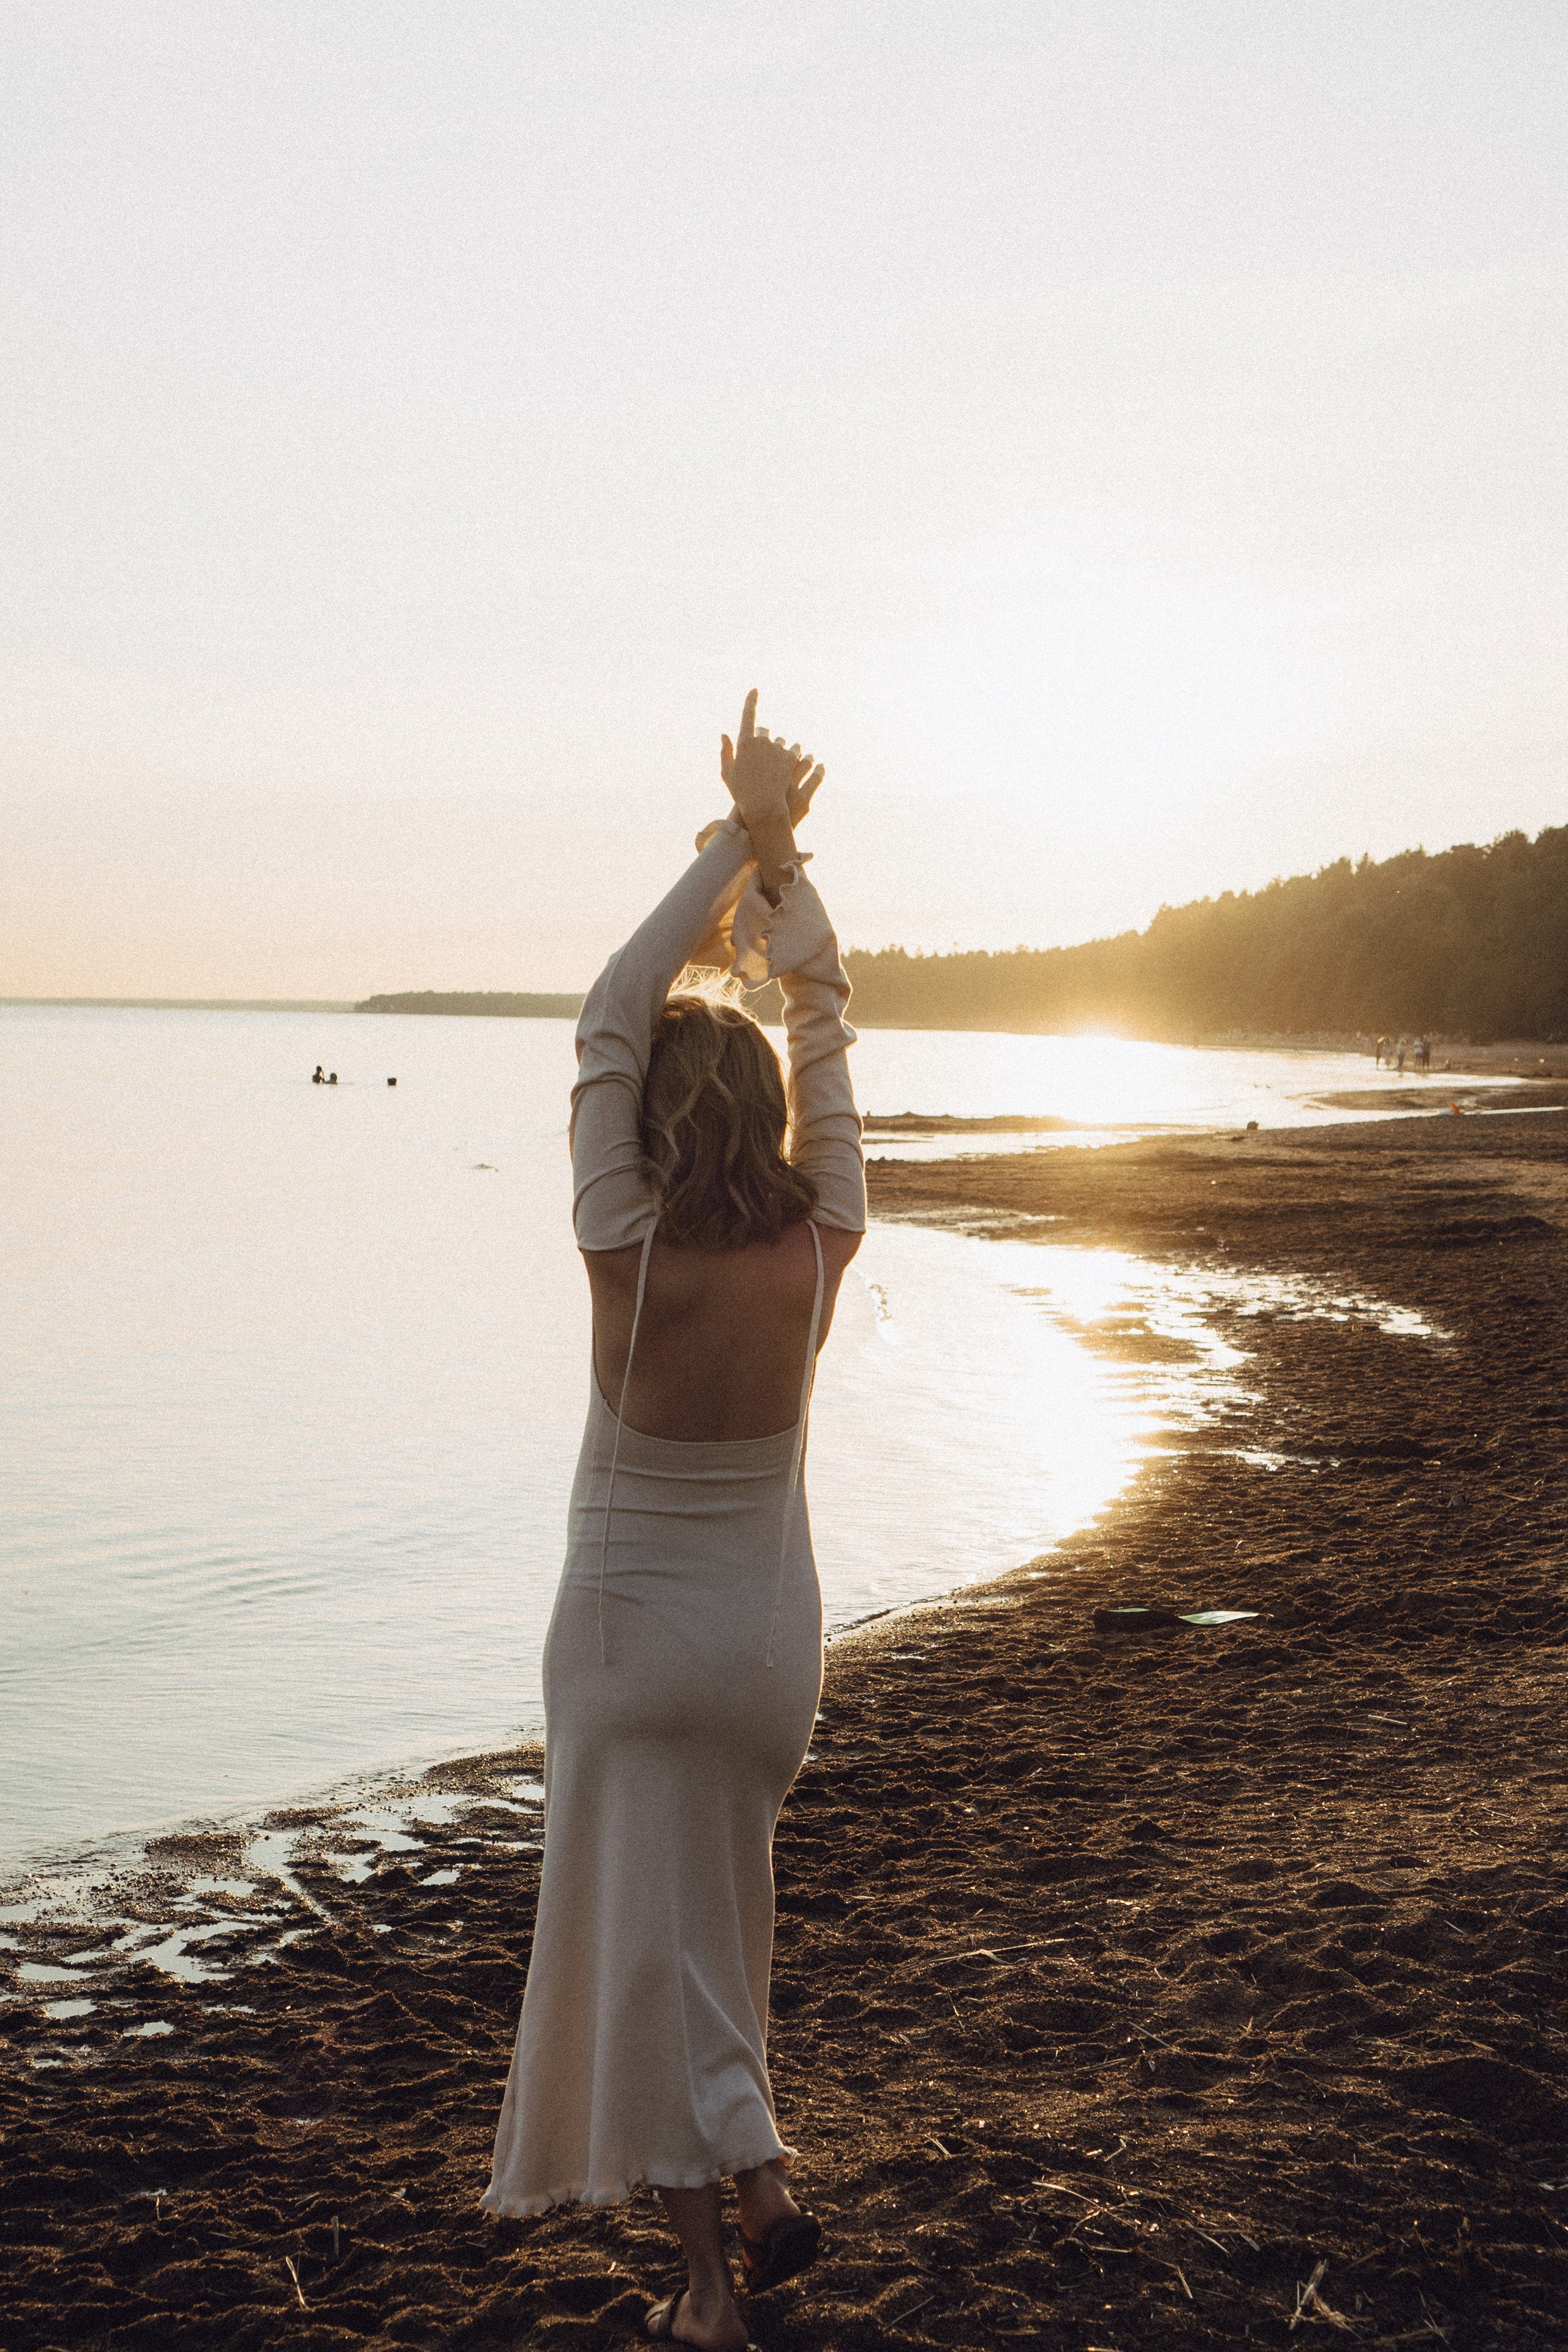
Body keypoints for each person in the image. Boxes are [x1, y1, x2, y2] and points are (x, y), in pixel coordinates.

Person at [483, 693, 867, 2351]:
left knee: (642, 1954)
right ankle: (755, 2193)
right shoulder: (818, 1247)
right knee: (707, 1936)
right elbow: (829, 1027)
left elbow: (604, 1012)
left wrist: (733, 842)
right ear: (768, 1120)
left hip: (633, 1653)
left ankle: (717, 2282)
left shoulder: (620, 1249)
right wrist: (784, 878)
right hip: (767, 1659)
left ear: (651, 1127)